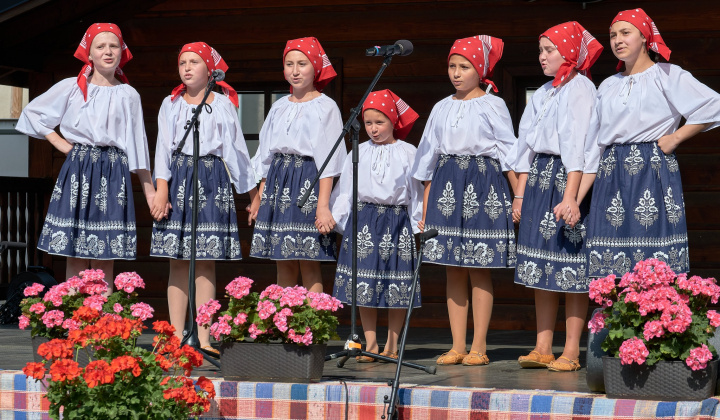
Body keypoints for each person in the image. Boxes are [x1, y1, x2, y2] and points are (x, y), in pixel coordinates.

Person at [583, 8, 720, 278]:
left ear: (645, 37)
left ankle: (656, 317)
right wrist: (576, 198)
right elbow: (593, 145)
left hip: (652, 169)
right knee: (611, 260)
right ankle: (614, 319)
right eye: (612, 35)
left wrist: (676, 137)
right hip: (611, 176)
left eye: (625, 33)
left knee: (653, 255)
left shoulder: (667, 74)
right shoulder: (608, 85)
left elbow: (713, 105)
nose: (617, 40)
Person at [16, 23, 154, 286]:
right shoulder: (72, 87)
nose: (108, 51)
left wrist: (150, 192)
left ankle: (101, 323)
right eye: (100, 46)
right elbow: (33, 113)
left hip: (114, 171)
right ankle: (75, 322)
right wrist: (60, 142)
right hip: (79, 167)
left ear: (122, 52)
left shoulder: (128, 94)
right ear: (88, 53)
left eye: (113, 46)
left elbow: (138, 146)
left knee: (106, 253)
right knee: (75, 252)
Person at [412, 35, 517, 366]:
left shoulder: (492, 104)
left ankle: (479, 346)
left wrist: (519, 194)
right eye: (452, 66)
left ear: (480, 70)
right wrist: (424, 209)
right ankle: (457, 344)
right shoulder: (441, 106)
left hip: (482, 186)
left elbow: (508, 151)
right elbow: (427, 160)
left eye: (464, 67)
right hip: (446, 187)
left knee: (478, 266)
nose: (456, 73)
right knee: (452, 268)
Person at [150, 42, 258, 355]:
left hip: (212, 180)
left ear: (209, 69)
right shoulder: (170, 103)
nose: (186, 68)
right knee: (178, 261)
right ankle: (173, 335)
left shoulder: (223, 104)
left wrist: (252, 194)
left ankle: (204, 336)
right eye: (182, 62)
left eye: (193, 62)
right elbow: (163, 150)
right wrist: (162, 189)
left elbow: (237, 151)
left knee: (205, 262)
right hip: (179, 178)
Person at [510, 22, 603, 372]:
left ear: (568, 52)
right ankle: (542, 346)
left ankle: (572, 350)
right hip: (540, 178)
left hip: (569, 182)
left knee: (571, 269)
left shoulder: (580, 87)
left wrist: (571, 198)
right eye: (540, 50)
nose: (542, 56)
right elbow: (525, 144)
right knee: (540, 265)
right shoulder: (547, 90)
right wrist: (520, 195)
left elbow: (579, 146)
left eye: (549, 50)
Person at [249, 37, 347, 293]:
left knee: (309, 258)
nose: (295, 70)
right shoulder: (279, 106)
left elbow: (330, 161)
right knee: (283, 258)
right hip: (278, 183)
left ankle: (311, 328)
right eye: (289, 64)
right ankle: (285, 324)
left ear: (315, 67)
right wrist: (260, 195)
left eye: (302, 64)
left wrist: (323, 207)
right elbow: (265, 155)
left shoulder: (326, 107)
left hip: (308, 182)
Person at [330, 89, 422, 362]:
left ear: (393, 121)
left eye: (379, 122)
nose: (373, 129)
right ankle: (369, 342)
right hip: (364, 221)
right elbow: (346, 190)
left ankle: (392, 344)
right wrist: (338, 219)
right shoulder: (357, 152)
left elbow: (416, 191)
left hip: (397, 221)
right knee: (363, 283)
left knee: (396, 283)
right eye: (368, 123)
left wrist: (419, 226)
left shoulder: (408, 152)